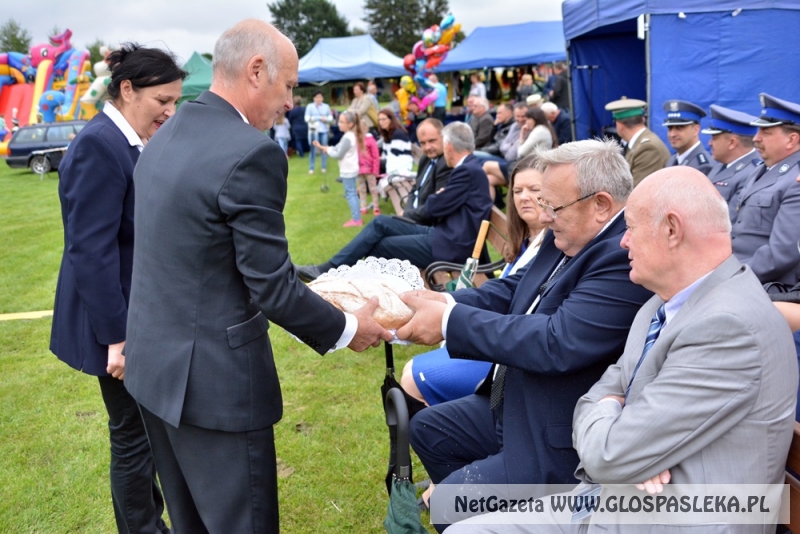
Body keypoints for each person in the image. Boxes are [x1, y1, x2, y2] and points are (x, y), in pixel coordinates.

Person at [123, 20, 391, 533]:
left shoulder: (167, 130)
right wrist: (350, 328)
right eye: (288, 86)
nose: (291, 102)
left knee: (190, 522)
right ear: (255, 70)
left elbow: (210, 252)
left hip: (155, 369)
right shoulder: (252, 152)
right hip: (213, 386)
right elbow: (270, 288)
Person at [447, 167, 798, 534]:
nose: (623, 242)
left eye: (631, 228)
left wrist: (619, 430)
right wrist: (620, 427)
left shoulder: (728, 326)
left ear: (672, 230)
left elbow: (607, 454)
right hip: (616, 501)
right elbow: (596, 399)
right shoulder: (664, 303)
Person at [396, 139, 653, 530]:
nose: (544, 216)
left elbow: (556, 342)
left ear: (601, 204)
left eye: (553, 206)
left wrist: (448, 322)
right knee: (429, 429)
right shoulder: (570, 229)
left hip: (556, 435)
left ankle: (484, 513)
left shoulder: (621, 253)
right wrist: (442, 302)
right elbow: (516, 289)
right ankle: (489, 511)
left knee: (450, 502)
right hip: (517, 401)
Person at [49, 43, 186, 534]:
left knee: (143, 435)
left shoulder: (126, 140)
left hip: (134, 315)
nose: (169, 112)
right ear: (127, 89)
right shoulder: (99, 144)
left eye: (175, 102)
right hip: (117, 325)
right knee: (133, 436)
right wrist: (117, 338)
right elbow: (91, 251)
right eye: (162, 101)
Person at [400, 154, 549, 408]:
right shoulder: (525, 240)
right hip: (497, 335)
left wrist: (451, 313)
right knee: (410, 373)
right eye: (517, 190)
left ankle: (453, 429)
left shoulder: (552, 245)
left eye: (534, 190)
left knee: (413, 377)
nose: (524, 197)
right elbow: (505, 290)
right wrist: (445, 302)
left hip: (509, 351)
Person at [294, 122, 493, 279]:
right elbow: (437, 203)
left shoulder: (466, 171)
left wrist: (439, 197)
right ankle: (329, 270)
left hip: (448, 245)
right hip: (443, 235)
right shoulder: (470, 168)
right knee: (381, 222)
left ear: (447, 146)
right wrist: (440, 196)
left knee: (379, 245)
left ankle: (336, 275)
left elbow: (434, 207)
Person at [732, 93, 800, 286]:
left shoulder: (795, 181)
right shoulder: (760, 170)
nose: (756, 138)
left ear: (791, 140)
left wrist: (731, 278)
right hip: (737, 272)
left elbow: (781, 253)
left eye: (766, 132)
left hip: (763, 285)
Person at [701, 104, 761, 219]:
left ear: (732, 142)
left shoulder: (753, 173)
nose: (709, 143)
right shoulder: (720, 166)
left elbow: (732, 220)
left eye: (714, 138)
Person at [605, 98, 670, 186]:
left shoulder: (648, 148)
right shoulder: (639, 144)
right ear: (643, 119)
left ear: (619, 125)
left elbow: (638, 190)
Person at [399, 118, 452, 224]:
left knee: (379, 224)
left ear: (444, 137)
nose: (427, 147)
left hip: (426, 224)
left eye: (432, 141)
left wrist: (407, 215)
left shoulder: (447, 163)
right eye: (422, 143)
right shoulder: (425, 158)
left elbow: (436, 207)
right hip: (414, 216)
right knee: (379, 224)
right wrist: (407, 214)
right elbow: (415, 189)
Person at [314, 111, 362, 227]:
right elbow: (336, 148)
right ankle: (357, 218)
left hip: (348, 171)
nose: (339, 124)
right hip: (350, 169)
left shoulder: (348, 137)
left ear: (350, 124)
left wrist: (327, 150)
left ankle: (356, 220)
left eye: (341, 122)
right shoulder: (348, 136)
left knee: (350, 194)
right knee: (352, 193)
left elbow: (338, 154)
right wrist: (323, 148)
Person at [482, 103, 530, 194]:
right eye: (518, 116)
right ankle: (491, 203)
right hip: (509, 162)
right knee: (488, 179)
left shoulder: (528, 128)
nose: (520, 119)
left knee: (484, 164)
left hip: (520, 166)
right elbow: (502, 146)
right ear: (514, 115)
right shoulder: (514, 126)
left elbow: (512, 155)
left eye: (523, 116)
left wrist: (509, 147)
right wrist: (510, 146)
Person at [662, 99, 713, 175]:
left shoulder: (703, 167)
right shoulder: (672, 160)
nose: (672, 134)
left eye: (680, 127)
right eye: (670, 128)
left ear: (696, 130)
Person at [377, 107, 414, 177]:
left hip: (400, 166)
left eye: (384, 119)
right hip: (391, 164)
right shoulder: (387, 134)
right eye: (379, 120)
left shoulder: (398, 133)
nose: (381, 122)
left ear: (391, 120)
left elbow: (394, 154)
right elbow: (385, 154)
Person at [304, 90, 333, 174]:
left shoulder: (326, 106)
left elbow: (330, 118)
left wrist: (325, 119)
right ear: (314, 98)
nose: (318, 99)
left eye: (320, 97)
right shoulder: (310, 106)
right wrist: (319, 118)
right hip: (314, 131)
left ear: (322, 98)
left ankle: (323, 167)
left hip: (324, 131)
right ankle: (311, 168)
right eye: (317, 97)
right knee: (313, 149)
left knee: (324, 149)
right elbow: (306, 118)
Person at [357, 124, 381, 216]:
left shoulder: (371, 140)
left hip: (369, 169)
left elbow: (375, 156)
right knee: (361, 189)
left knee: (373, 189)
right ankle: (363, 207)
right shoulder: (356, 140)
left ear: (366, 129)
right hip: (359, 170)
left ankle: (376, 207)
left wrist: (375, 170)